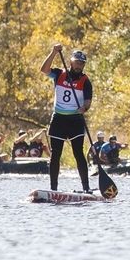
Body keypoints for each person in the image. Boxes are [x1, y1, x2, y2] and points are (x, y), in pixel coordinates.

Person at [39, 44, 93, 193]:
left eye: (81, 63)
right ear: (71, 62)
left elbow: (88, 101)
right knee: (55, 154)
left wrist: (85, 108)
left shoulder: (85, 81)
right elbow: (44, 70)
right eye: (77, 62)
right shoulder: (59, 74)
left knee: (78, 153)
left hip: (75, 120)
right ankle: (54, 189)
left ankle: (86, 188)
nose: (79, 65)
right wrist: (53, 52)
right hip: (59, 119)